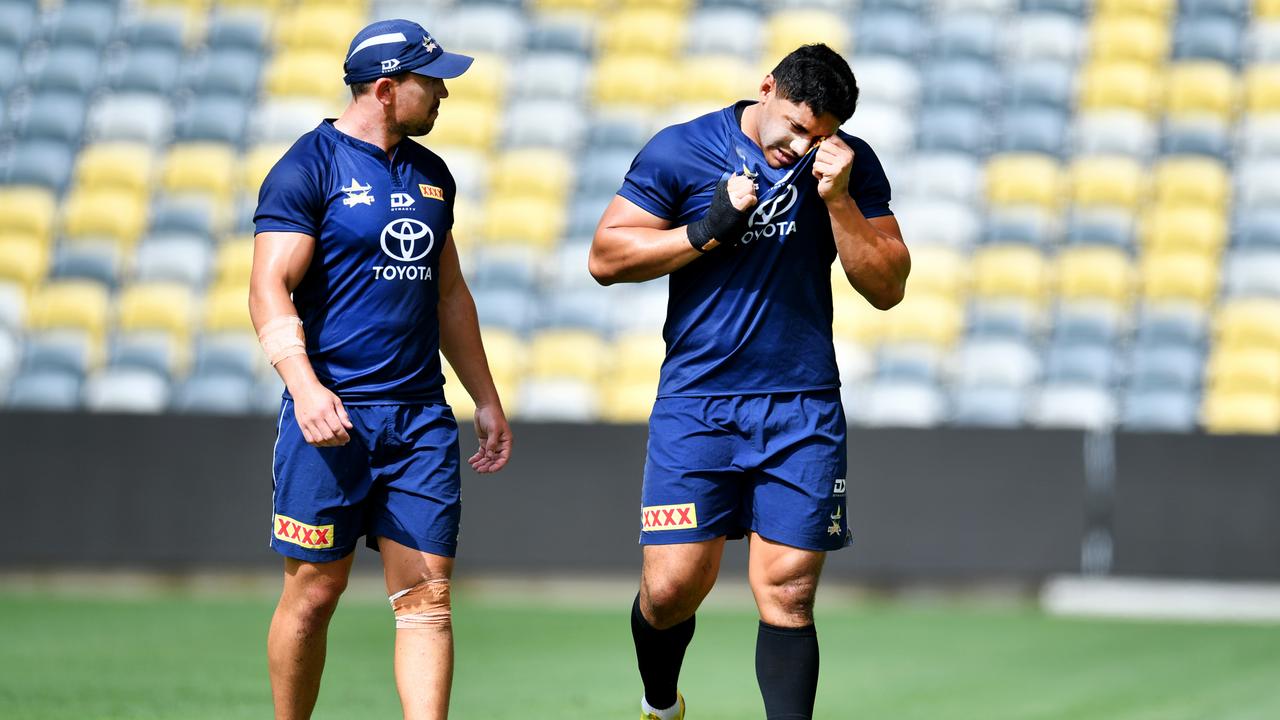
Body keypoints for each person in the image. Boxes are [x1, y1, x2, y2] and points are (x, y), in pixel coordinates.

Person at [588, 44, 910, 720]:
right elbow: (606, 256)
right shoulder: (680, 150)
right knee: (673, 588)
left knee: (789, 594)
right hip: (697, 404)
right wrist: (705, 229)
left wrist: (841, 201)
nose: (803, 145)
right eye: (795, 125)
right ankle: (660, 704)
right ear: (767, 89)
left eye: (820, 135)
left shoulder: (848, 166)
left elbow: (887, 286)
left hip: (802, 407)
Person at [248, 19, 512, 720]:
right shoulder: (307, 167)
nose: (446, 93)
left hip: (421, 419)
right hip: (330, 419)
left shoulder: (433, 175)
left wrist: (484, 397)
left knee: (427, 598)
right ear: (388, 90)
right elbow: (268, 286)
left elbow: (449, 292)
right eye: (434, 81)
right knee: (313, 595)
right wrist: (304, 390)